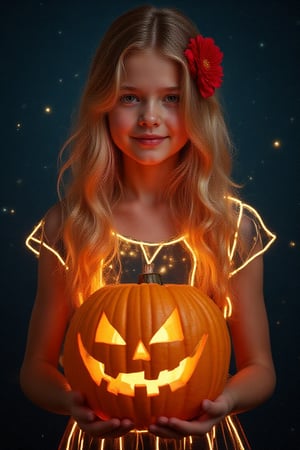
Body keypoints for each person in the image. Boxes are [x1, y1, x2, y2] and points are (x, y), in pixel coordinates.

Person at [20, 5, 277, 450]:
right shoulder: (70, 224)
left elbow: (260, 368)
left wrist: (226, 400)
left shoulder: (231, 226)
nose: (150, 117)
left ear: (198, 106)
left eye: (171, 98)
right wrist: (72, 402)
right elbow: (36, 368)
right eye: (129, 96)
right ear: (103, 103)